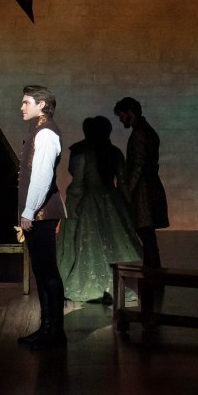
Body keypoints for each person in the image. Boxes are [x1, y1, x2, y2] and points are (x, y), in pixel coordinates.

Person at [58, 116, 142, 303]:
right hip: (112, 201)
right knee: (113, 243)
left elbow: (78, 184)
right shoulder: (114, 152)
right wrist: (126, 208)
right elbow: (122, 184)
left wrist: (72, 205)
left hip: (90, 204)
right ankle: (116, 287)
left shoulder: (81, 153)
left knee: (90, 244)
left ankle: (97, 287)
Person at [16, 85, 67, 350]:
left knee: (47, 272)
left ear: (42, 105)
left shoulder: (46, 133)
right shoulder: (38, 130)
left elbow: (42, 177)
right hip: (38, 213)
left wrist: (28, 210)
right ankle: (47, 329)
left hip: (42, 213)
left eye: (26, 102)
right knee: (41, 270)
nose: (22, 107)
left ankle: (55, 332)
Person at [113, 97, 169, 268]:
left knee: (146, 234)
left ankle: (152, 272)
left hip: (142, 191)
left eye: (122, 115)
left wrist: (127, 192)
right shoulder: (146, 131)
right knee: (148, 236)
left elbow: (137, 166)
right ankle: (153, 271)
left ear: (130, 113)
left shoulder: (139, 133)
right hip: (148, 187)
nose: (121, 119)